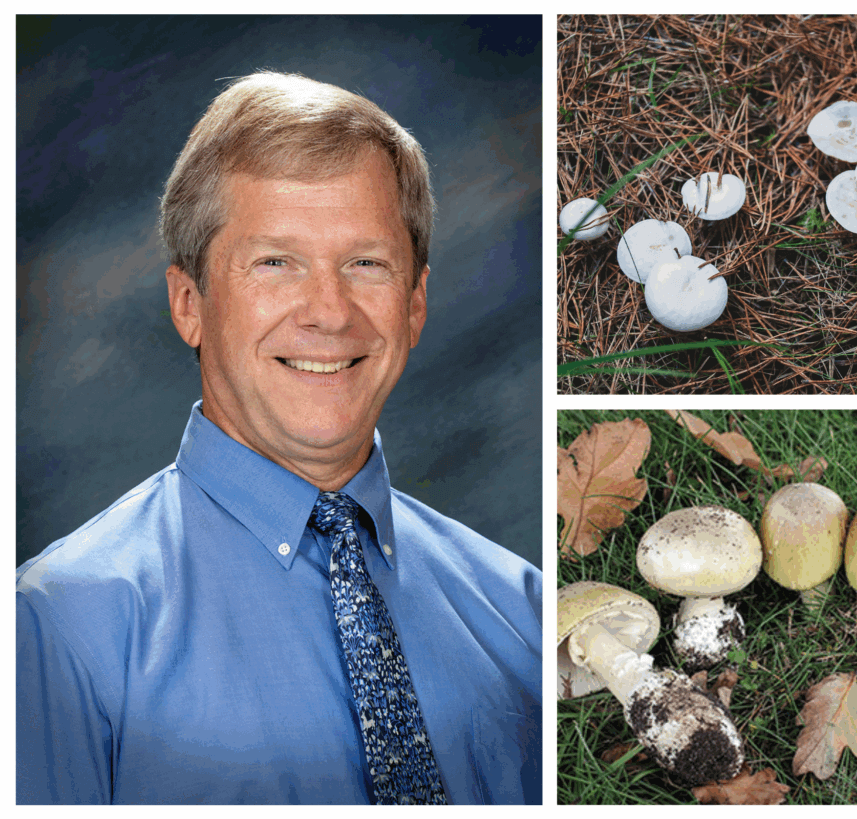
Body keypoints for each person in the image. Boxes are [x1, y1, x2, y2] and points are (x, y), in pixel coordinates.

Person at [16, 71, 541, 805]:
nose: (329, 312)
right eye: (275, 262)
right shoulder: (59, 628)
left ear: (415, 304)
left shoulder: (524, 612)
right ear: (188, 304)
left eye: (366, 263)